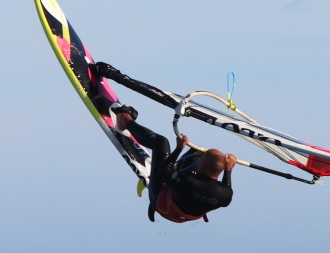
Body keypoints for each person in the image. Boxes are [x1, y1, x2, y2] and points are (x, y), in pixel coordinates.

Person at [88, 63, 238, 223]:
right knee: (196, 153)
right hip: (186, 210)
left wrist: (179, 148)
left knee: (161, 143)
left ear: (204, 165)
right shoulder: (226, 195)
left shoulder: (189, 182)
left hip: (163, 204)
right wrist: (228, 171)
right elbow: (225, 189)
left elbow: (164, 173)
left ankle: (126, 121)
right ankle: (179, 178)